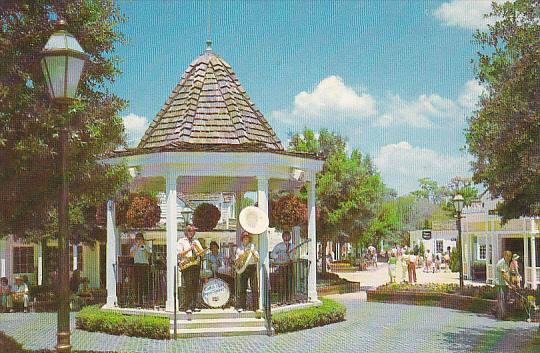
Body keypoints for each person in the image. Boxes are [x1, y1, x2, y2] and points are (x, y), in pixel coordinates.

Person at [177, 224, 203, 313]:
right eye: (189, 231)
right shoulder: (181, 241)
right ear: (186, 232)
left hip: (195, 265)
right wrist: (190, 249)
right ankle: (187, 306)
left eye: (193, 231)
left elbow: (202, 253)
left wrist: (198, 249)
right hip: (186, 266)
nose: (191, 233)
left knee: (195, 286)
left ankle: (194, 305)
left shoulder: (196, 241)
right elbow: (180, 254)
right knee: (188, 286)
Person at [235, 231, 259, 312]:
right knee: (242, 288)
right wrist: (242, 256)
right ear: (242, 239)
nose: (246, 239)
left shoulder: (253, 247)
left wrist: (253, 253)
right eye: (244, 238)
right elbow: (237, 262)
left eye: (247, 238)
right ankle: (242, 306)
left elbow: (257, 259)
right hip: (243, 268)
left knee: (254, 287)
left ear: (249, 239)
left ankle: (256, 307)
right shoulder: (239, 249)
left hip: (252, 267)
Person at [271, 230, 296, 304]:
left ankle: (290, 299)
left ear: (290, 237)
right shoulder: (279, 246)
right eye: (285, 236)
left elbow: (294, 257)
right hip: (282, 266)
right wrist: (278, 256)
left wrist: (294, 254)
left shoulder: (293, 246)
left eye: (288, 236)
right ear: (282, 237)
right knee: (282, 283)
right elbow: (272, 254)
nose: (286, 237)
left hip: (290, 265)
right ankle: (281, 300)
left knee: (290, 282)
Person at [130, 232, 152, 306]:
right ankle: (137, 300)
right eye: (137, 239)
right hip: (137, 265)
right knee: (137, 283)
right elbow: (132, 255)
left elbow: (149, 255)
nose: (139, 240)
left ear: (143, 240)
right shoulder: (133, 247)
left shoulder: (146, 246)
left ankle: (144, 300)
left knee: (144, 283)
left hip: (145, 265)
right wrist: (137, 247)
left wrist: (144, 247)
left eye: (140, 239)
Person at [495, 250, 512, 319]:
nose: (509, 257)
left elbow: (507, 274)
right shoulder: (501, 263)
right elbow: (504, 275)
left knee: (505, 299)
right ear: (504, 255)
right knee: (502, 300)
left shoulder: (506, 262)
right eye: (508, 256)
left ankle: (498, 312)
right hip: (500, 284)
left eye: (510, 256)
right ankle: (502, 316)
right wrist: (510, 284)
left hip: (504, 284)